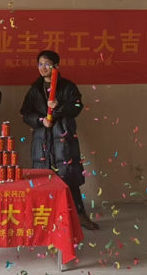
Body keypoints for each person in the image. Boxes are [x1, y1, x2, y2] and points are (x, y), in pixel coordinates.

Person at [20, 50, 99, 230]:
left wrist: (58, 108)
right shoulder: (35, 89)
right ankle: (43, 219)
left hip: (62, 139)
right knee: (42, 181)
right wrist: (41, 120)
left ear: (56, 66)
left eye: (47, 64)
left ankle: (79, 216)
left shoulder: (68, 86)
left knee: (69, 178)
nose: (43, 68)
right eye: (40, 64)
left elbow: (77, 106)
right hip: (42, 141)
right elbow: (25, 113)